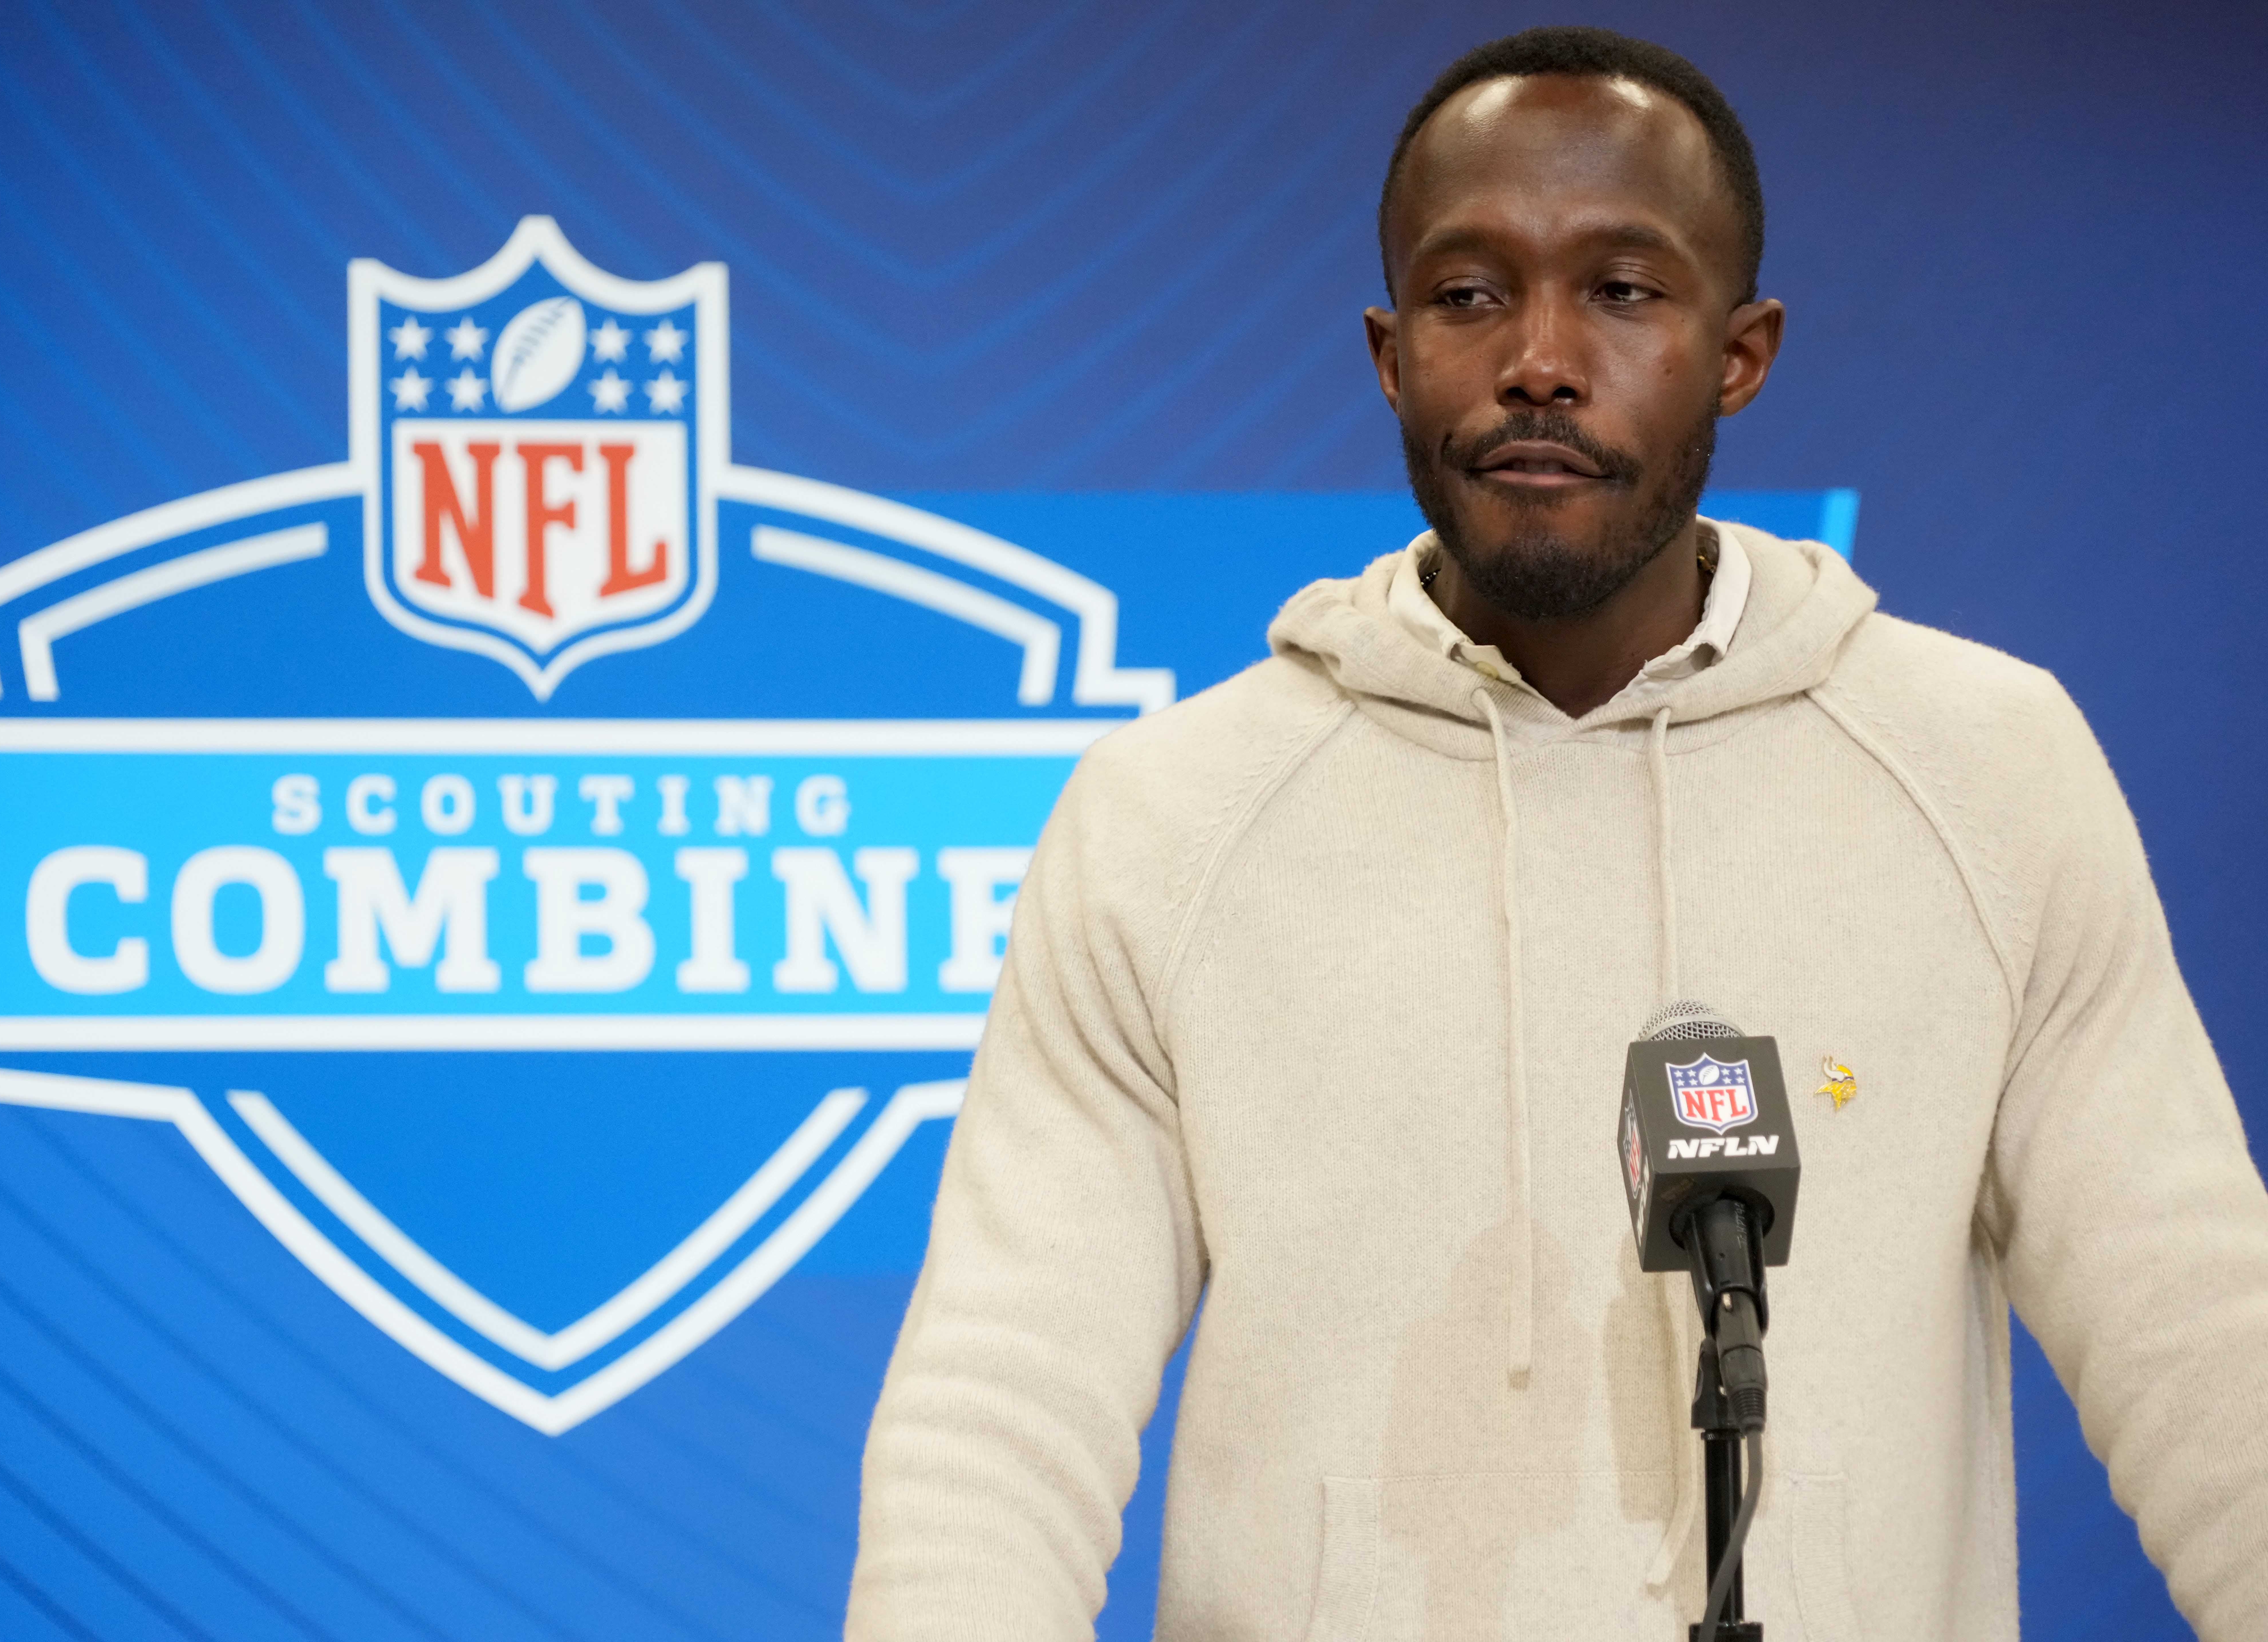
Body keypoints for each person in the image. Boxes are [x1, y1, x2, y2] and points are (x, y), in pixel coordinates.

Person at [847, 26, 2268, 1641]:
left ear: (1741, 353)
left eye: (1623, 290)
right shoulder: (1170, 819)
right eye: (1468, 295)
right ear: (1391, 355)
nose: (1538, 359)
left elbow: (2203, 1352)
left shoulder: (1987, 773)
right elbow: (1003, 1411)